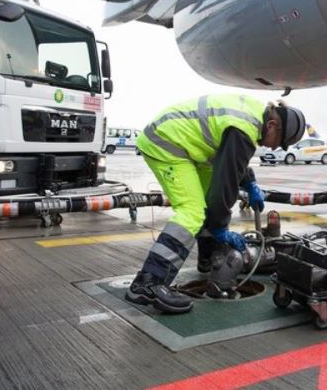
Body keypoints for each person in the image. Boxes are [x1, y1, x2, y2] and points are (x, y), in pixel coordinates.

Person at [125, 94, 306, 314]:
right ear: (272, 125)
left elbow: (229, 159)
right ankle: (148, 282)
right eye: (279, 142)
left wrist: (249, 182)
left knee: (208, 202)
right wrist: (220, 227)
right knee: (192, 212)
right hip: (166, 143)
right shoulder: (244, 128)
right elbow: (226, 181)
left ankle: (208, 260)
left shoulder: (253, 117)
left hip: (186, 146)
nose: (275, 148)